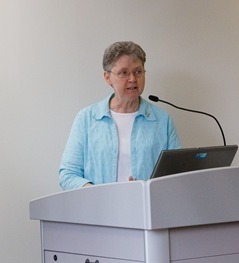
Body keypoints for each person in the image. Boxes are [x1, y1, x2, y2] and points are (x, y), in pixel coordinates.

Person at [59, 41, 181, 190]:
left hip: (148, 209)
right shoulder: (86, 119)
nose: (132, 79)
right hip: (100, 210)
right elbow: (68, 174)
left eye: (138, 71)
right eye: (124, 72)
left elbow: (177, 176)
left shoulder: (163, 120)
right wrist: (96, 193)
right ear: (107, 77)